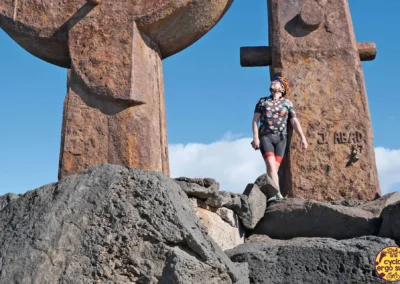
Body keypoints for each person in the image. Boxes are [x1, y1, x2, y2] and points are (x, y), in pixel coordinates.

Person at [251, 76, 308, 200]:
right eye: (273, 81)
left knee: (274, 170)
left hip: (282, 139)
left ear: (282, 88)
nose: (273, 82)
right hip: (266, 136)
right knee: (271, 166)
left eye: (276, 82)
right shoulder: (262, 101)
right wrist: (256, 137)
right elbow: (255, 120)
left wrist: (302, 137)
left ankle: (268, 193)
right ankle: (277, 194)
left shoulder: (287, 103)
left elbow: (294, 121)